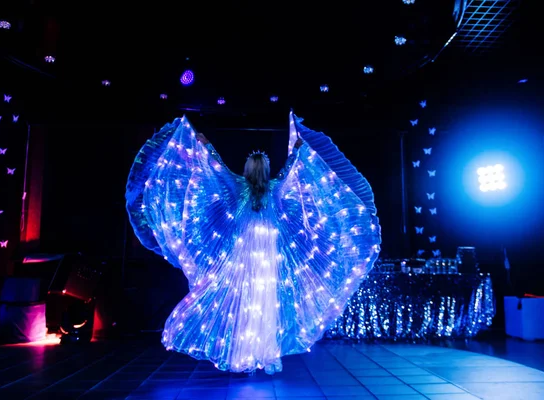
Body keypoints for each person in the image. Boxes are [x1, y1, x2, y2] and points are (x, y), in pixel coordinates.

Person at [126, 112, 381, 374]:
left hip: (245, 254)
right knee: (266, 303)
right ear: (265, 170)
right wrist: (296, 152)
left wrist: (205, 146)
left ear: (248, 169)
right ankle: (264, 355)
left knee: (245, 302)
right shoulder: (275, 187)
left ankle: (244, 355)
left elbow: (218, 170)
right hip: (268, 255)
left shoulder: (240, 186)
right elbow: (289, 170)